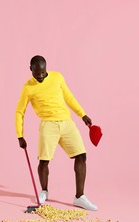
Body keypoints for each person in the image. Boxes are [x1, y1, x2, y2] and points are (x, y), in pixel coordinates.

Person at [15, 55, 98, 211]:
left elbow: (69, 97)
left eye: (43, 73)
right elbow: (20, 112)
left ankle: (79, 197)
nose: (40, 76)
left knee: (81, 156)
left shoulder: (57, 77)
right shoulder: (28, 88)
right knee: (44, 160)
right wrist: (20, 135)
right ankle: (44, 191)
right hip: (48, 124)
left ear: (46, 68)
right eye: (36, 73)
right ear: (30, 69)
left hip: (67, 122)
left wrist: (83, 115)